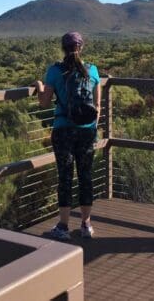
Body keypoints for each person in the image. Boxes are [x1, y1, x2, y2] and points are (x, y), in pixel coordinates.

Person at [34, 32, 101, 241]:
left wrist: (38, 86)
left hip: (63, 129)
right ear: (81, 47)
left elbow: (44, 102)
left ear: (63, 48)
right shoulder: (92, 70)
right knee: (86, 175)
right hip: (87, 130)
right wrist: (91, 126)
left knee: (65, 176)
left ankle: (63, 227)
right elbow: (97, 106)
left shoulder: (55, 71)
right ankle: (86, 224)